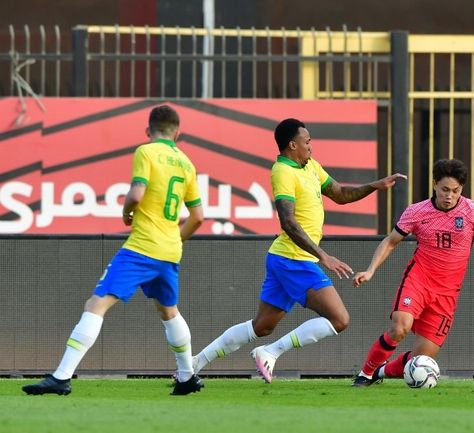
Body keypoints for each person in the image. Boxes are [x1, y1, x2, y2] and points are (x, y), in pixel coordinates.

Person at [192, 118, 406, 383]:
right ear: (293, 145)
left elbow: (340, 194)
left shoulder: (311, 166)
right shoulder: (282, 171)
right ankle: (270, 352)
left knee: (262, 326)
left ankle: (195, 362)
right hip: (294, 259)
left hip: (283, 257)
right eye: (307, 142)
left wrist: (375, 185)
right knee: (339, 319)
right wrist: (323, 256)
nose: (310, 147)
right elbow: (288, 222)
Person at [22, 105, 205, 396]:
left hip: (142, 247)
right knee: (169, 311)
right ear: (178, 133)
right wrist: (176, 239)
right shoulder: (187, 163)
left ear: (148, 131)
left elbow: (136, 194)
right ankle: (187, 376)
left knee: (96, 304)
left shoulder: (146, 152)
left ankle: (61, 377)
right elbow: (198, 217)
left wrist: (126, 213)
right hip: (170, 251)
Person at [351, 158, 474, 387]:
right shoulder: (417, 211)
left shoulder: (472, 211)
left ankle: (379, 372)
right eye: (445, 189)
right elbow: (391, 241)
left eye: (455, 191)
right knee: (400, 327)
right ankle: (365, 373)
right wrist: (370, 270)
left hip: (446, 294)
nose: (449, 196)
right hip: (418, 281)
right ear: (435, 184)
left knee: (422, 360)